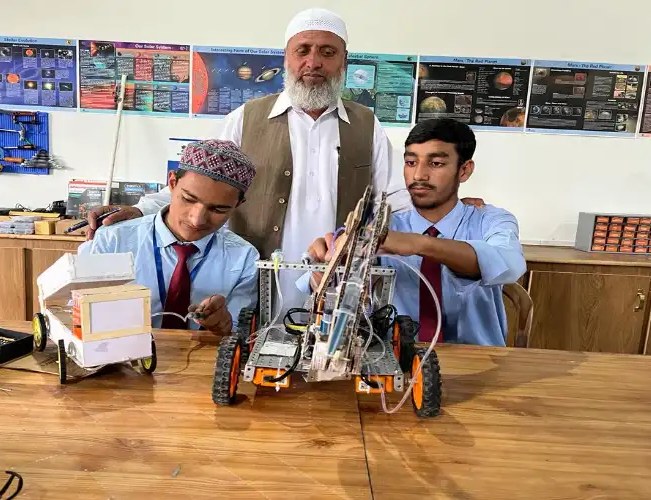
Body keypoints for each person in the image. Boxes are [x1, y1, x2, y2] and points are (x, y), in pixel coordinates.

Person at [83, 7, 412, 314]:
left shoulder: (368, 126)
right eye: (303, 50)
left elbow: (396, 202)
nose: (314, 62)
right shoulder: (246, 118)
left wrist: (459, 214)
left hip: (336, 287)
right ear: (287, 57)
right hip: (255, 285)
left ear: (344, 61)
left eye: (327, 52)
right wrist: (141, 209)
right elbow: (198, 182)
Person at [303, 118, 526, 346]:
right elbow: (322, 285)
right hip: (395, 361)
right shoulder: (383, 228)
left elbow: (508, 264)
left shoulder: (490, 221)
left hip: (479, 362)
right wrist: (324, 270)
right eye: (411, 162)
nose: (419, 175)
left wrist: (420, 244)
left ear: (464, 170)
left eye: (436, 163)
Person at [78, 140, 259, 336]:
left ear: (238, 204)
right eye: (188, 199)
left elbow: (240, 334)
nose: (197, 220)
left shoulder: (244, 258)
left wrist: (223, 325)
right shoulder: (113, 241)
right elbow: (75, 316)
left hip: (201, 363)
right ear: (172, 183)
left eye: (218, 209)